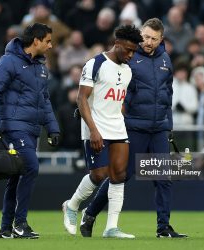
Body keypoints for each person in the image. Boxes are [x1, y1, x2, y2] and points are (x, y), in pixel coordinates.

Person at [79, 18, 187, 238]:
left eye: (153, 39)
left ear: (161, 40)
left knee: (163, 178)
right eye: (145, 36)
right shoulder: (128, 57)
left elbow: (168, 95)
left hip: (158, 129)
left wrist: (169, 126)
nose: (147, 42)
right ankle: (90, 213)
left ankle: (163, 228)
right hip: (133, 127)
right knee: (121, 175)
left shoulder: (166, 60)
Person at [62, 24, 143, 238]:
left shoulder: (127, 71)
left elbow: (117, 100)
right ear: (117, 44)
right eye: (128, 49)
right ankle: (72, 205)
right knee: (99, 174)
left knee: (119, 175)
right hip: (95, 125)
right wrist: (93, 131)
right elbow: (81, 98)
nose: (131, 55)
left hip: (117, 125)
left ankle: (111, 228)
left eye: (134, 51)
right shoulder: (95, 63)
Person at [0, 23, 60, 239]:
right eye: (47, 41)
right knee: (31, 167)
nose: (50, 45)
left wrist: (52, 128)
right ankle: (20, 223)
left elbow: (45, 100)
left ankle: (6, 228)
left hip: (31, 129)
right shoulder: (8, 62)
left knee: (16, 177)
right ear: (36, 40)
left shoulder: (41, 67)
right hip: (14, 126)